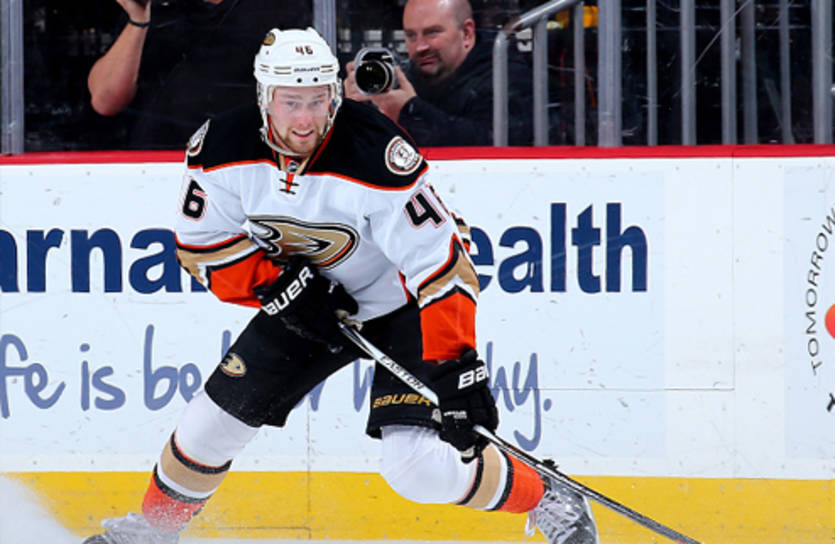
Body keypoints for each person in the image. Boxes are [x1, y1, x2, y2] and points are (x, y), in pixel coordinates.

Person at [81, 27, 598, 544]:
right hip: (306, 303)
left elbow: (441, 265)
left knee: (415, 468)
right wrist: (280, 288)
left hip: (402, 305)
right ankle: (153, 532)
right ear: (265, 98)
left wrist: (454, 364)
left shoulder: (377, 152)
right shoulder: (220, 147)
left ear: (334, 95)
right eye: (291, 102)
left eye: (318, 100)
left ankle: (547, 494)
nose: (306, 119)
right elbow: (202, 246)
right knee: (207, 426)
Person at [87, 0, 310, 149]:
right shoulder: (155, 7)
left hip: (240, 167)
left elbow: (303, 102)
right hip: (155, 168)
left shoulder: (279, 8)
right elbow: (105, 101)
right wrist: (138, 20)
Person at [343, 0, 534, 147]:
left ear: (466, 33)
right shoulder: (404, 78)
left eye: (432, 33)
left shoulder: (505, 76)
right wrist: (354, 111)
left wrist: (409, 112)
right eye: (411, 35)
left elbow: (492, 142)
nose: (420, 47)